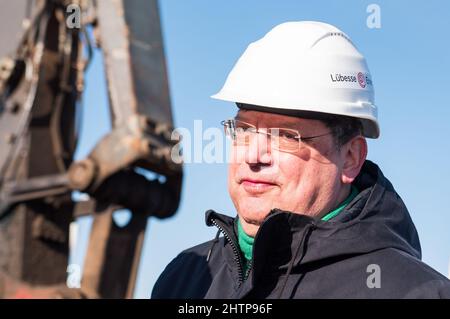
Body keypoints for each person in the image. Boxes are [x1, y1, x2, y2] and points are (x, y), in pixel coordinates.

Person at [151, 21, 450, 298]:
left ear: (350, 157)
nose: (253, 156)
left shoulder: (412, 291)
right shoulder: (185, 279)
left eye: (285, 136)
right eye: (243, 130)